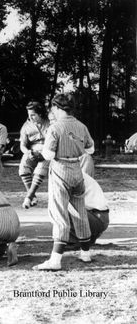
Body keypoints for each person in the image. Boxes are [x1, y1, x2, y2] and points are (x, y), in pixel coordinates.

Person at [33, 93, 95, 271]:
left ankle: (55, 260)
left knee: (59, 212)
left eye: (53, 107)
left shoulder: (55, 127)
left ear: (57, 107)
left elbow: (49, 155)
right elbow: (90, 148)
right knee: (79, 211)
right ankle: (85, 253)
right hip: (77, 169)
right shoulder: (81, 126)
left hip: (60, 169)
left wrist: (40, 149)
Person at [18, 101, 50, 209]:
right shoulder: (26, 126)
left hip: (47, 151)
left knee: (40, 169)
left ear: (40, 113)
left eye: (33, 115)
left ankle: (28, 197)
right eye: (29, 115)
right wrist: (28, 152)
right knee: (23, 169)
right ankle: (33, 196)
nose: (30, 117)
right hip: (31, 151)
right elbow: (22, 145)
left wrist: (44, 151)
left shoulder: (49, 122)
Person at [68, 171, 109, 247]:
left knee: (60, 205)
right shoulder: (73, 171)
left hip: (96, 217)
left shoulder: (69, 175)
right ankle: (85, 240)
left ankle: (75, 241)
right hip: (96, 216)